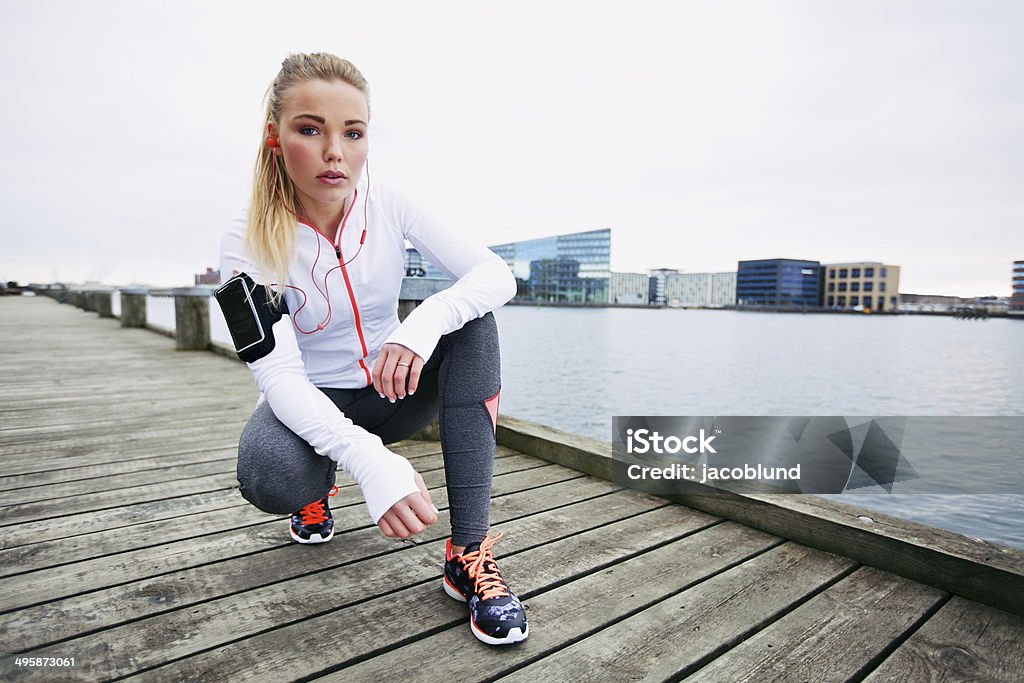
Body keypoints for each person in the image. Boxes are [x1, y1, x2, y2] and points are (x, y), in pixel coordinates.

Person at [216, 52, 527, 646]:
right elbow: (278, 379)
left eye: (353, 133)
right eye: (311, 129)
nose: (336, 152)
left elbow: (496, 276)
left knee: (475, 319)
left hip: (393, 386)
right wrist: (368, 459)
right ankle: (315, 486)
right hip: (312, 403)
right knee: (269, 473)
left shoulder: (392, 202)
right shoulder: (244, 240)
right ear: (274, 139)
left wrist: (420, 324)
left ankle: (468, 555)